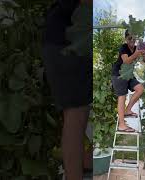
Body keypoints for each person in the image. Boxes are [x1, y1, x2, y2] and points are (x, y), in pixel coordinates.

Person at [42, 0, 91, 179]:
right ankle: (76, 174)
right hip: (67, 46)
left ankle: (85, 168)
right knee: (77, 113)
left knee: (76, 114)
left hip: (61, 44)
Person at [111, 30, 145, 132]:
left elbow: (143, 61)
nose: (132, 40)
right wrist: (137, 53)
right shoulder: (124, 47)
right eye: (129, 38)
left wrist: (144, 53)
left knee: (140, 88)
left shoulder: (136, 48)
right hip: (119, 73)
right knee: (122, 97)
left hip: (129, 74)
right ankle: (122, 125)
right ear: (126, 39)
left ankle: (127, 110)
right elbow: (126, 61)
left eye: (133, 38)